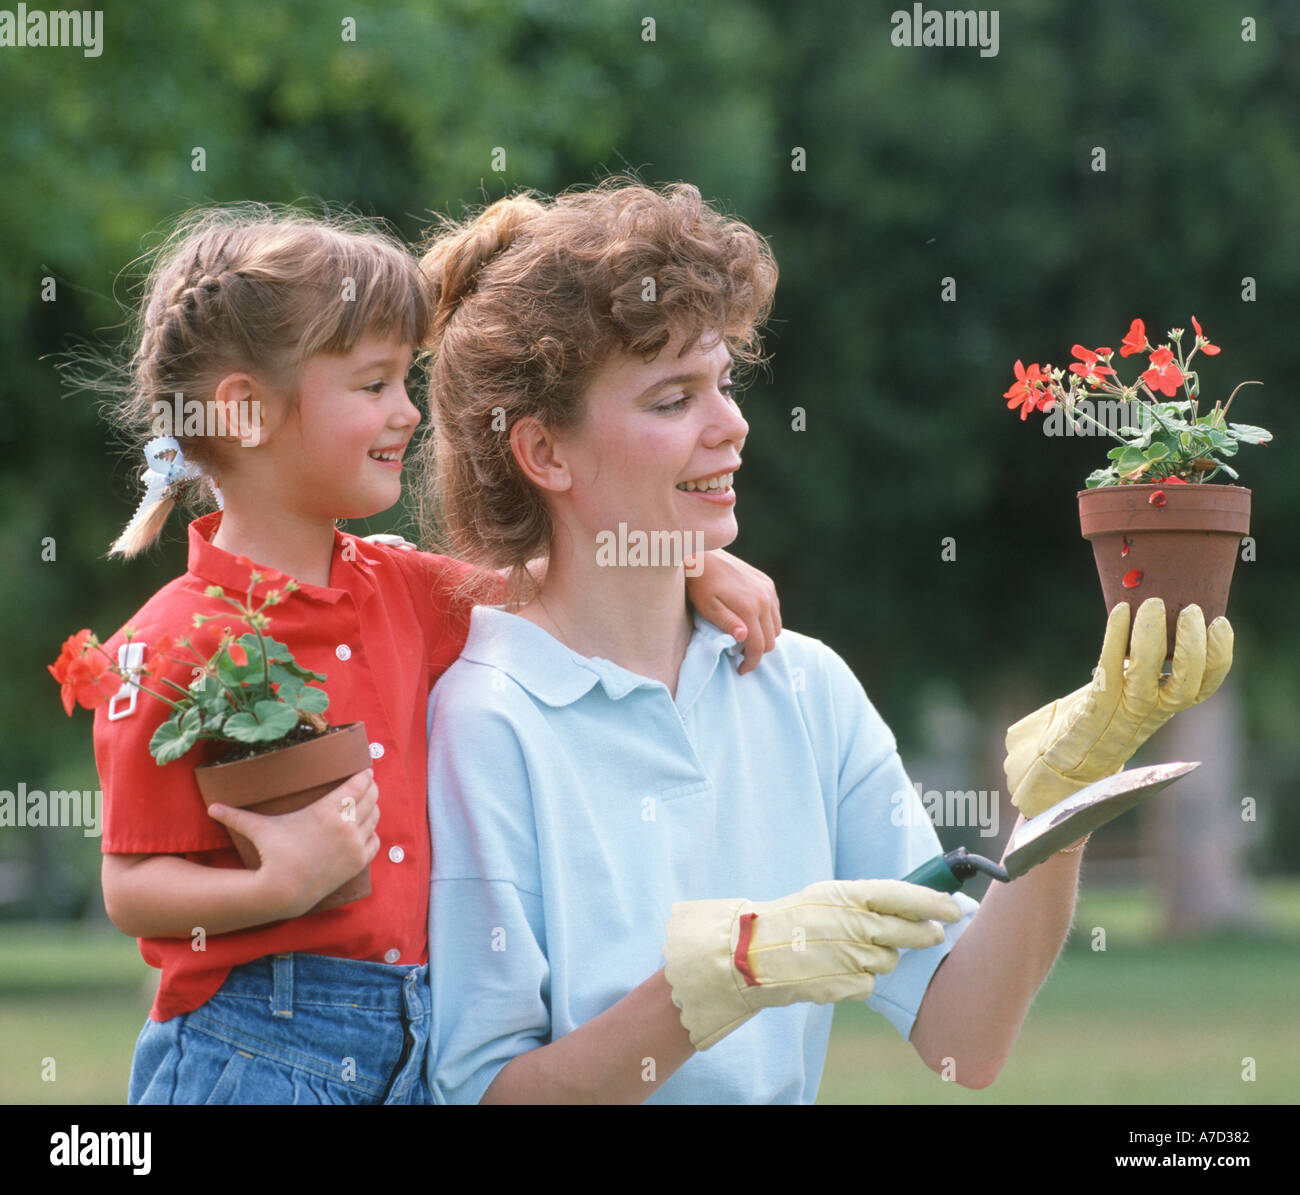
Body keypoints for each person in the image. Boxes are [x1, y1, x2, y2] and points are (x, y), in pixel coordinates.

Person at [418, 180, 1233, 1104]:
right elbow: (485, 1094)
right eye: (671, 399)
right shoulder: (485, 718)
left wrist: (1056, 816)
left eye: (722, 383)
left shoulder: (801, 685)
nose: (732, 426)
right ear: (545, 453)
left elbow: (964, 1036)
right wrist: (716, 982)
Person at [85, 203, 780, 1105]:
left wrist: (686, 560)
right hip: (253, 1051)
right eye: (373, 384)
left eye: (404, 381)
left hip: (408, 1050)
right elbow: (130, 885)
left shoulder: (400, 587)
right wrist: (278, 883)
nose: (409, 413)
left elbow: (555, 584)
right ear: (245, 411)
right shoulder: (171, 642)